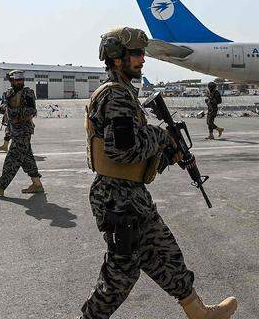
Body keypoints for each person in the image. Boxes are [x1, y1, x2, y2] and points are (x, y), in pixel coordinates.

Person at [79, 27, 237, 319]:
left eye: (142, 53)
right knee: (122, 272)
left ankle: (199, 313)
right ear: (116, 59)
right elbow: (123, 151)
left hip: (130, 192)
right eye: (136, 54)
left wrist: (165, 156)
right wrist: (162, 137)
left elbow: (133, 157)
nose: (142, 59)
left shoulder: (125, 93)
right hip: (117, 197)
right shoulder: (116, 97)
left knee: (165, 253)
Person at [0, 70, 44, 195]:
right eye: (17, 80)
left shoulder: (28, 93)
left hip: (24, 131)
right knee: (27, 159)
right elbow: (2, 109)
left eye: (21, 79)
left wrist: (12, 112)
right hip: (13, 131)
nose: (19, 82)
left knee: (12, 160)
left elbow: (31, 111)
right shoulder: (8, 93)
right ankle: (37, 184)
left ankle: (0, 186)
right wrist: (5, 108)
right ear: (11, 80)